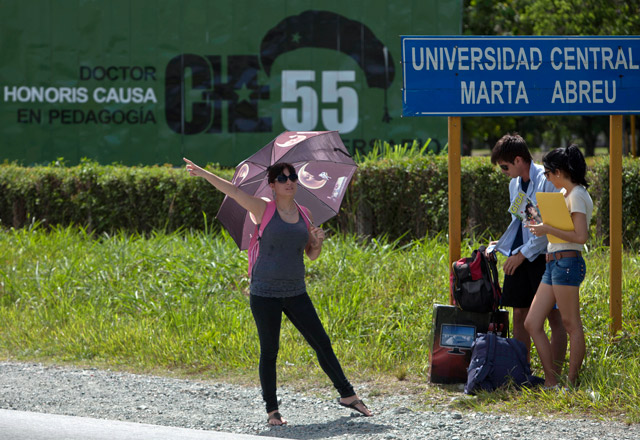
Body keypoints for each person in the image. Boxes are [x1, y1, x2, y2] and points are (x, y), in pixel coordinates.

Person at [183, 158, 372, 425]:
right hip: (264, 293)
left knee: (322, 343)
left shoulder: (304, 213)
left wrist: (317, 243)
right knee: (270, 351)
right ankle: (272, 411)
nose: (289, 182)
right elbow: (234, 191)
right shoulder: (263, 209)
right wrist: (203, 173)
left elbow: (311, 254)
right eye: (282, 178)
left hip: (296, 291)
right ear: (272, 185)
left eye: (292, 177)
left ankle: (348, 395)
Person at [489, 134, 567, 375]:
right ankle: (522, 371)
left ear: (519, 159)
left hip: (544, 257)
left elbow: (548, 228)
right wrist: (502, 243)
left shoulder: (547, 179)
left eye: (505, 166)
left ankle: (554, 375)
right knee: (520, 312)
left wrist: (521, 254)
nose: (503, 172)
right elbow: (522, 221)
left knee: (554, 317)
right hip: (519, 256)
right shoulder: (513, 184)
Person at [525, 145, 593, 388]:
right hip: (554, 263)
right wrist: (542, 225)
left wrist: (547, 229)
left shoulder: (576, 195)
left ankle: (570, 384)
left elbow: (580, 236)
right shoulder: (567, 195)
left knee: (570, 324)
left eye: (548, 173)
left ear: (559, 171)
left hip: (567, 263)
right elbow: (565, 232)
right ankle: (551, 380)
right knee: (532, 322)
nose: (547, 177)